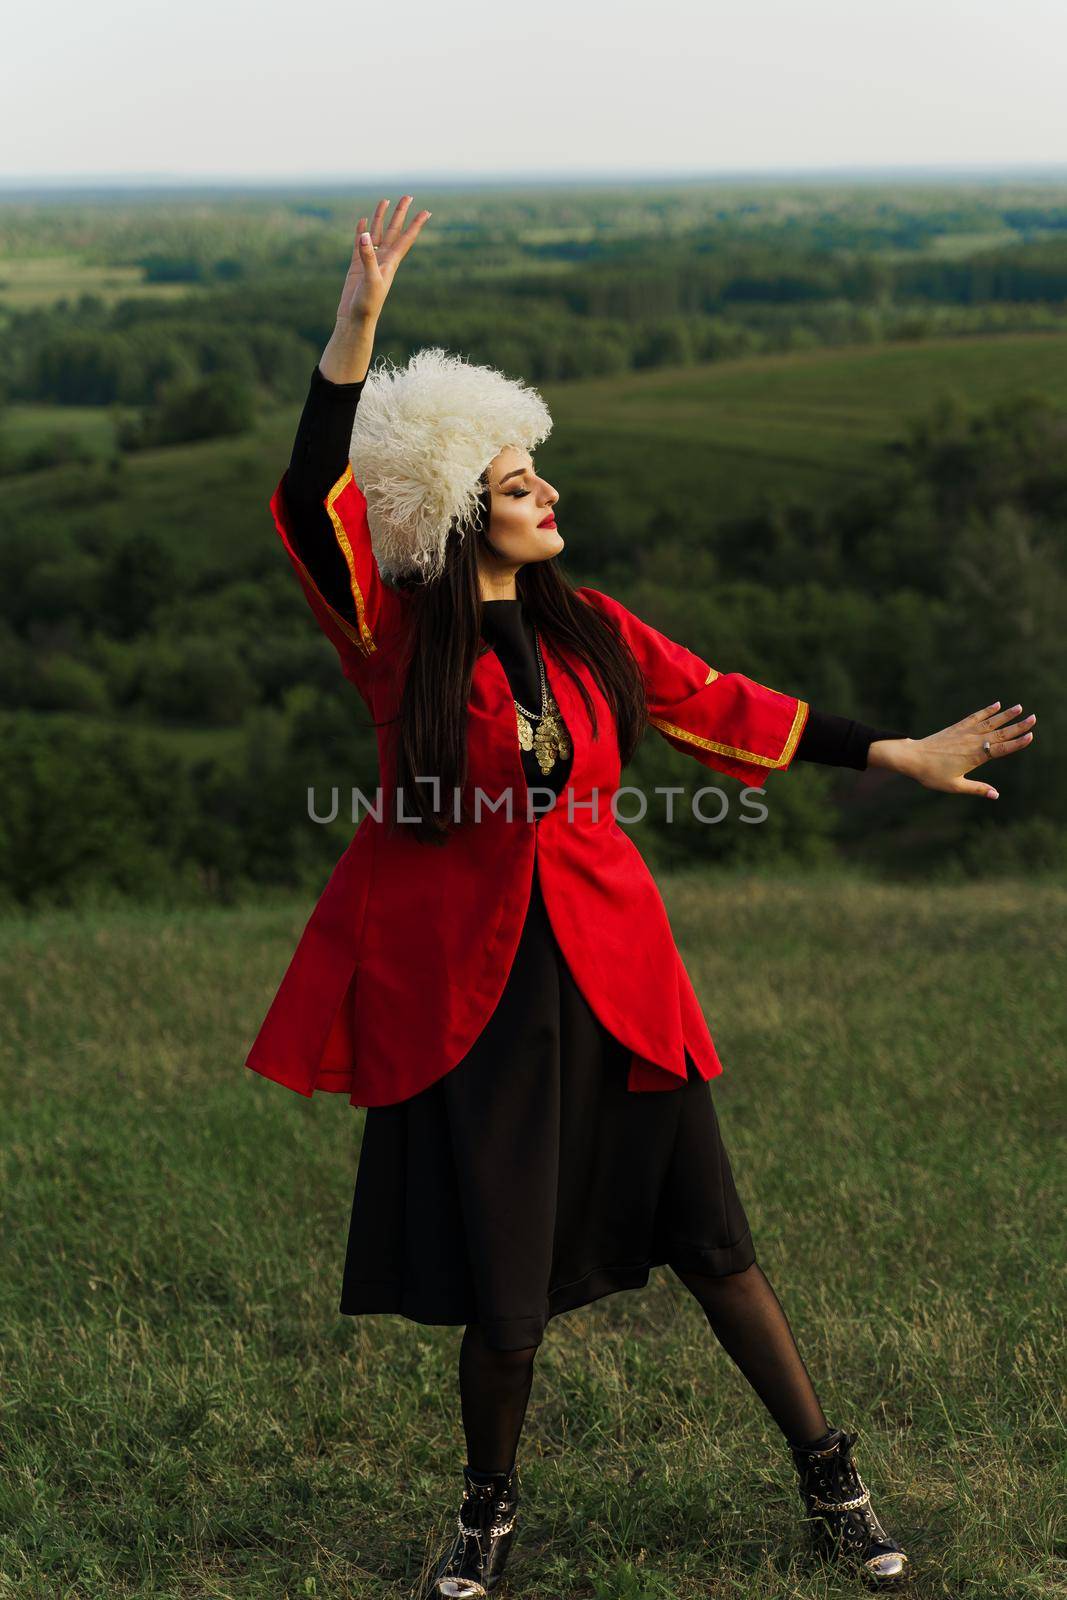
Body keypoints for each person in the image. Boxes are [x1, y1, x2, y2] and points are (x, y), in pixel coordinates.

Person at [245, 197, 1036, 1597]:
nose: (547, 494)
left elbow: (718, 702)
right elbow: (317, 501)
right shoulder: (399, 640)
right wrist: (356, 329)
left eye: (541, 473)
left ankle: (831, 1483)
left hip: (620, 981)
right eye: (516, 480)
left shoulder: (590, 627)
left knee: (718, 1247)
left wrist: (894, 750)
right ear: (448, 506)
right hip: (480, 1005)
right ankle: (486, 1515)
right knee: (507, 1300)